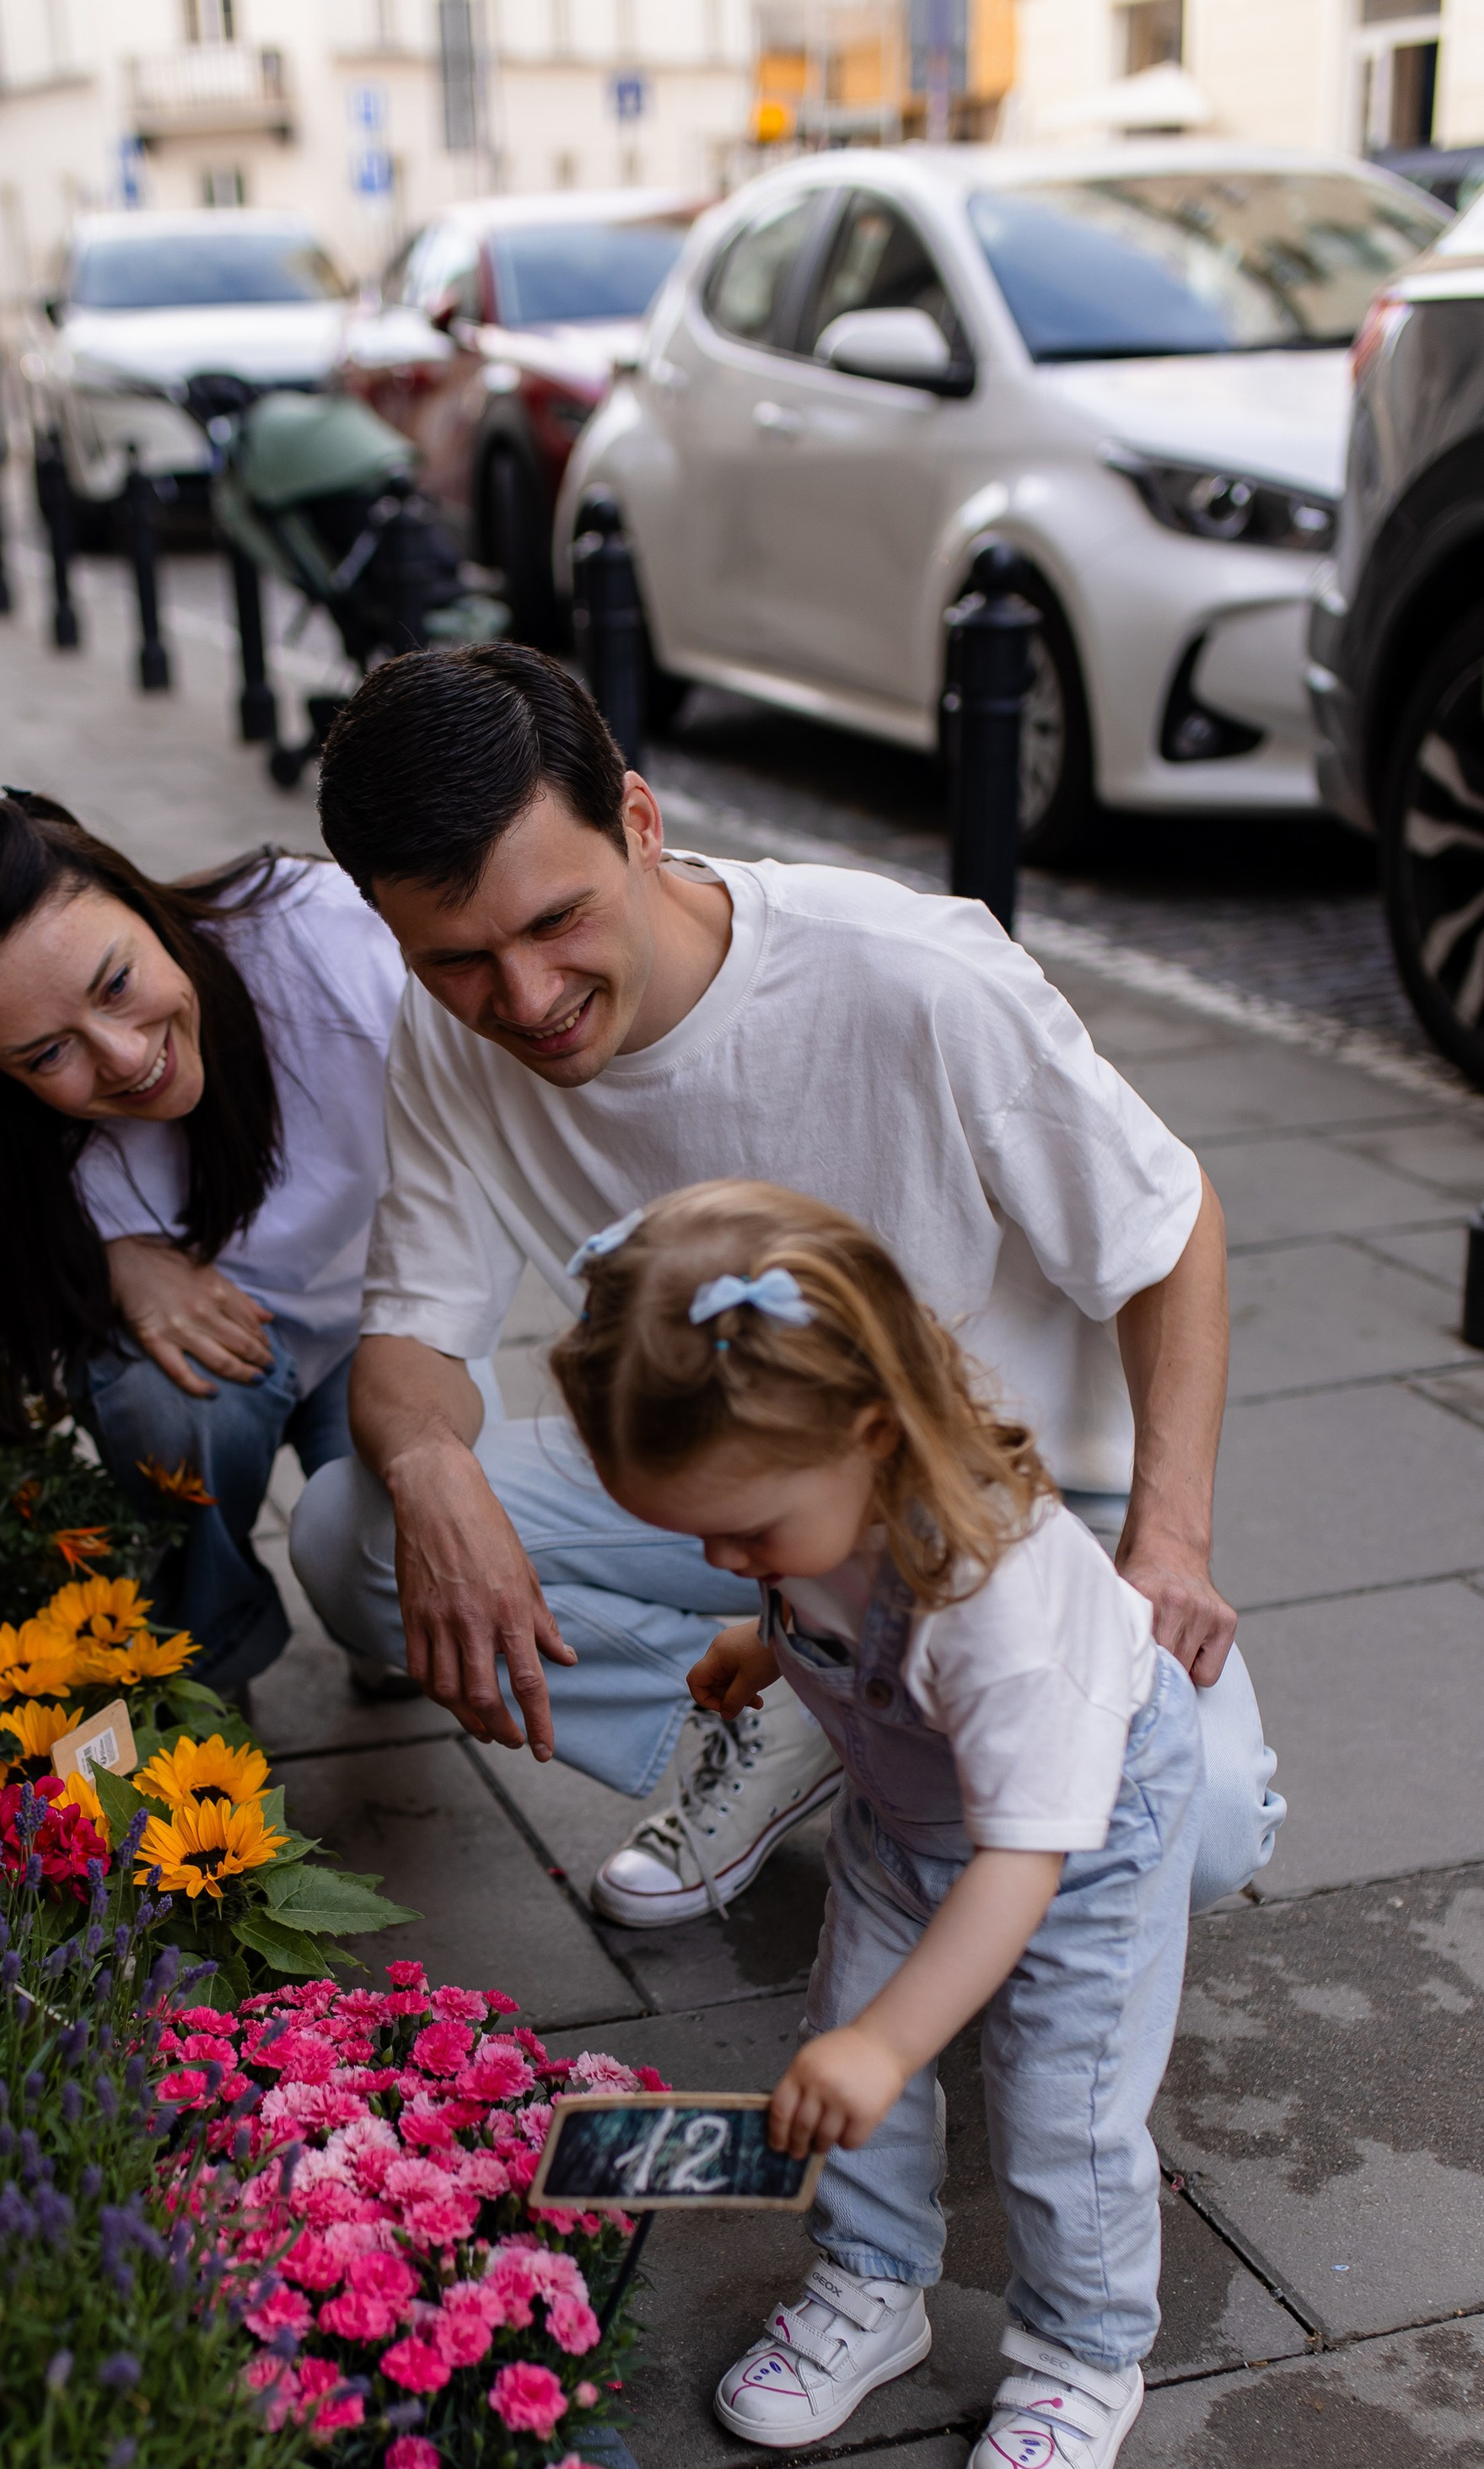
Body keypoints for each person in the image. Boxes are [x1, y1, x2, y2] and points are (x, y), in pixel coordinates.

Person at [290, 645, 1282, 1925]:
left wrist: (1172, 1544)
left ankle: (883, 1725)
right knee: (354, 1531)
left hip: (1014, 1502)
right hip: (728, 1486)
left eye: (556, 921)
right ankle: (800, 1731)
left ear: (639, 822)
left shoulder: (913, 974)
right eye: (456, 959)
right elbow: (414, 1337)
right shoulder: (447, 1026)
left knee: (1189, 1837)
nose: (523, 998)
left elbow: (1172, 1225)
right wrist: (433, 1476)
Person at [555, 1181, 1201, 2469]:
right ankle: (872, 2278)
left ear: (869, 1433)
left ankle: (1085, 2353)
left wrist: (895, 2041)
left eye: (748, 1536)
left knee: (1059, 2107)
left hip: (1079, 1837)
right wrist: (768, 1638)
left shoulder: (997, 1602)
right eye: (705, 1538)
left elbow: (1021, 1868)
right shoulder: (814, 1495)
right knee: (837, 2048)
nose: (732, 1555)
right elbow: (809, 1585)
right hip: (911, 1819)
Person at [0, 790, 403, 1695]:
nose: (122, 1058)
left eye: (116, 984)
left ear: (140, 901)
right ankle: (204, 1656)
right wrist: (104, 1260)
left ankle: (377, 1628)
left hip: (391, 1320)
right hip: (214, 1373)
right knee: (161, 1401)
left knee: (413, 1584)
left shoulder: (318, 935)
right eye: (47, 1055)